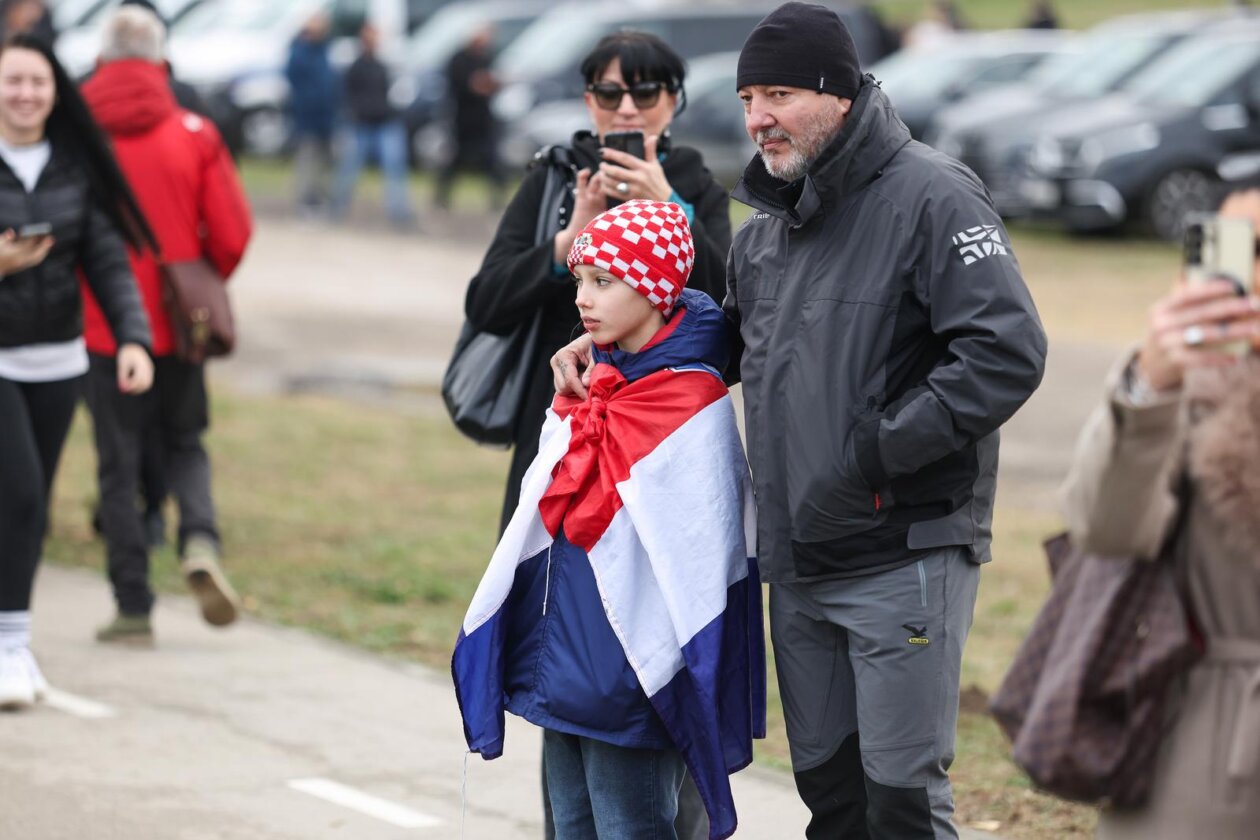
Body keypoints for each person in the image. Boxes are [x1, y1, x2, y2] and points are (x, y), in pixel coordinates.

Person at [554, 4, 1048, 837]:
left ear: (839, 94)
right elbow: (721, 341)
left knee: (900, 800)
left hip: (903, 547)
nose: (758, 119)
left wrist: (875, 455)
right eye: (748, 99)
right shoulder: (766, 230)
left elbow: (1005, 352)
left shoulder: (934, 196)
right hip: (796, 556)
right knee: (830, 794)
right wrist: (611, 345)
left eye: (778, 95)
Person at [462, 32, 732, 836]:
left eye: (645, 92)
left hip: (649, 444)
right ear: (588, 101)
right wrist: (567, 241)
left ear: (673, 101)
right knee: (564, 688)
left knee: (646, 751)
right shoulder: (555, 176)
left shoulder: (693, 182)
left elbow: (726, 316)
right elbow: (487, 300)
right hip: (563, 434)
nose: (626, 108)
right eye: (609, 93)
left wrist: (672, 208)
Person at [1060, 181, 1260, 840]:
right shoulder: (1183, 387)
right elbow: (1105, 530)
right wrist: (1150, 389)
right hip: (1202, 755)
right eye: (1236, 248)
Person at [80, 6, 252, 645]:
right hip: (181, 325)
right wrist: (197, 279)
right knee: (184, 440)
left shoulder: (74, 136)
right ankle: (200, 539)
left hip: (101, 325)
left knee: (117, 465)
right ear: (163, 62)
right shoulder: (195, 133)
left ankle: (132, 607)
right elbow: (232, 233)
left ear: (99, 60)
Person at [0, 32, 155, 710]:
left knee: (29, 509)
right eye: (13, 80)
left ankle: (13, 642)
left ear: (55, 92)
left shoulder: (74, 166)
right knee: (20, 496)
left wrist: (133, 339)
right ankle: (8, 647)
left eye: (37, 81)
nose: (25, 93)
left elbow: (109, 263)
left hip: (59, 361)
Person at [331, 22, 412, 227]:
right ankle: (338, 206)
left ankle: (399, 211)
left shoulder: (381, 67)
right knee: (349, 167)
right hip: (361, 124)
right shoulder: (356, 67)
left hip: (383, 122)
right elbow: (348, 97)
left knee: (395, 167)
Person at [435, 24, 505, 212]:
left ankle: (497, 199)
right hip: (463, 119)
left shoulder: (486, 58)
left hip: (483, 119)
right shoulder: (458, 59)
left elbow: (491, 84)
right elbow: (466, 85)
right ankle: (441, 197)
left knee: (492, 160)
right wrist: (480, 84)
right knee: (456, 159)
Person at [285, 12, 337, 217]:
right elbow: (295, 81)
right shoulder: (299, 52)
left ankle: (320, 201)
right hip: (306, 117)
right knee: (306, 161)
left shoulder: (324, 49)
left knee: (325, 163)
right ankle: (304, 203)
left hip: (326, 117)